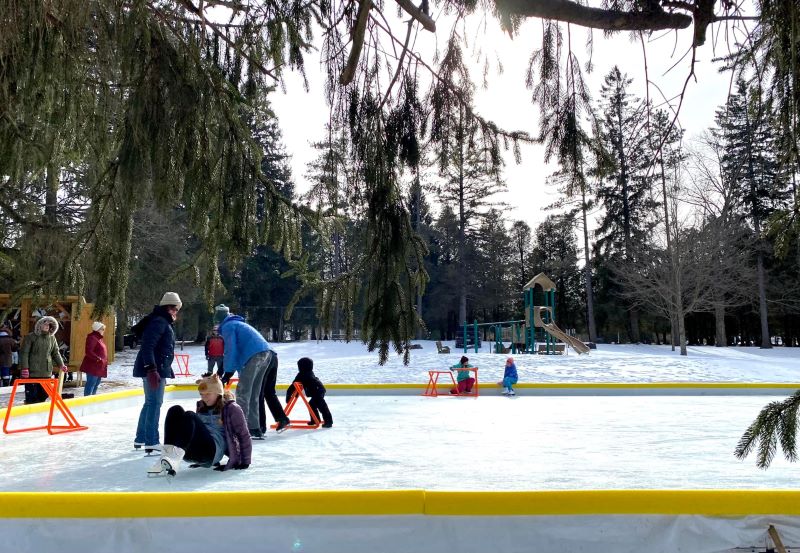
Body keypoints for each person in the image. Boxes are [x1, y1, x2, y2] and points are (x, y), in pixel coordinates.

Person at [148, 373, 252, 476]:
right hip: (193, 452)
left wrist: (245, 461)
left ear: (218, 392)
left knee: (190, 415)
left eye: (208, 394)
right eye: (202, 394)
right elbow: (195, 431)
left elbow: (243, 435)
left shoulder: (231, 408)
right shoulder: (201, 405)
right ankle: (168, 456)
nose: (204, 398)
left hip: (212, 452)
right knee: (175, 409)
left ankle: (174, 458)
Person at [216, 304, 289, 438]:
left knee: (243, 392)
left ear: (218, 319)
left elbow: (230, 350)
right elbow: (238, 351)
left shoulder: (228, 326)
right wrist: (228, 371)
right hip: (266, 353)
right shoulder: (237, 324)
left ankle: (240, 429)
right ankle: (254, 428)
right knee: (254, 392)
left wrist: (228, 371)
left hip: (255, 355)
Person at [132, 292, 181, 453]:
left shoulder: (160, 321)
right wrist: (152, 370)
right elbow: (147, 346)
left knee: (150, 402)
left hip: (156, 368)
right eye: (175, 309)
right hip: (155, 370)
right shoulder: (159, 322)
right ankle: (151, 440)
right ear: (168, 308)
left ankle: (141, 437)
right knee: (154, 403)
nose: (176, 312)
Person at [18, 316, 68, 404]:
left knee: (44, 395)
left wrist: (61, 364)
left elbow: (56, 353)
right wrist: (25, 368)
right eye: (44, 324)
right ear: (39, 325)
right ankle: (30, 412)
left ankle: (39, 413)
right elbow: (24, 353)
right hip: (33, 372)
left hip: (46, 372)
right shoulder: (30, 337)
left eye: (48, 324)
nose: (47, 326)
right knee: (32, 397)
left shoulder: (52, 338)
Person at [286, 357, 332, 428]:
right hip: (319, 389)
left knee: (322, 406)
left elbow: (293, 385)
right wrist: (296, 394)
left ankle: (328, 421)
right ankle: (315, 420)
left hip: (317, 391)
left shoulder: (302, 374)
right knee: (312, 405)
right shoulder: (309, 372)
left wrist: (288, 395)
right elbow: (299, 384)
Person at [80, 321, 108, 396]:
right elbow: (89, 351)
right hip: (93, 366)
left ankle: (92, 400)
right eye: (102, 329)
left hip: (99, 366)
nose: (103, 331)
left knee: (96, 384)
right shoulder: (92, 337)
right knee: (91, 384)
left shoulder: (99, 338)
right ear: (97, 329)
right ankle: (87, 401)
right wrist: (98, 359)